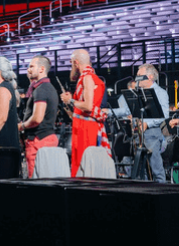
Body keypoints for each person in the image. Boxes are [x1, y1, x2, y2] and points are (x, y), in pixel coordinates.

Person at [107, 64, 169, 182]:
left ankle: (162, 193)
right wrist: (108, 111)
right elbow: (126, 110)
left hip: (152, 134)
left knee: (156, 168)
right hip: (138, 134)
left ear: (150, 77)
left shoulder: (160, 92)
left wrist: (147, 124)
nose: (136, 78)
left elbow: (164, 114)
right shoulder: (137, 92)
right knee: (141, 170)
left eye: (140, 75)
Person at [60, 49, 110, 177]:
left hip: (86, 128)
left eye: (71, 63)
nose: (71, 66)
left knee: (84, 164)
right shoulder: (88, 77)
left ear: (76, 63)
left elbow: (88, 106)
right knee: (84, 164)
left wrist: (70, 100)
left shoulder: (87, 78)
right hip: (84, 126)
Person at [18, 56, 59, 178]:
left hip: (39, 140)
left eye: (31, 66)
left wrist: (21, 126)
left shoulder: (41, 90)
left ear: (41, 69)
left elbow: (37, 118)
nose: (28, 70)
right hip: (46, 137)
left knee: (35, 182)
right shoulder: (47, 88)